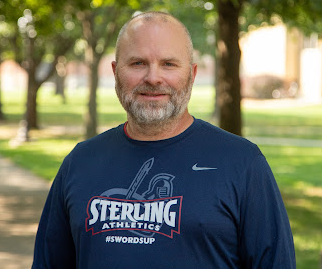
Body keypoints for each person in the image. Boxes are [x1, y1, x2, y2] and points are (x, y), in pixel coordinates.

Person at [32, 11, 296, 268]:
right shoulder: (79, 162)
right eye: (138, 63)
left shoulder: (243, 163)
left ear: (191, 74)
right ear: (115, 72)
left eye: (169, 64)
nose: (153, 77)